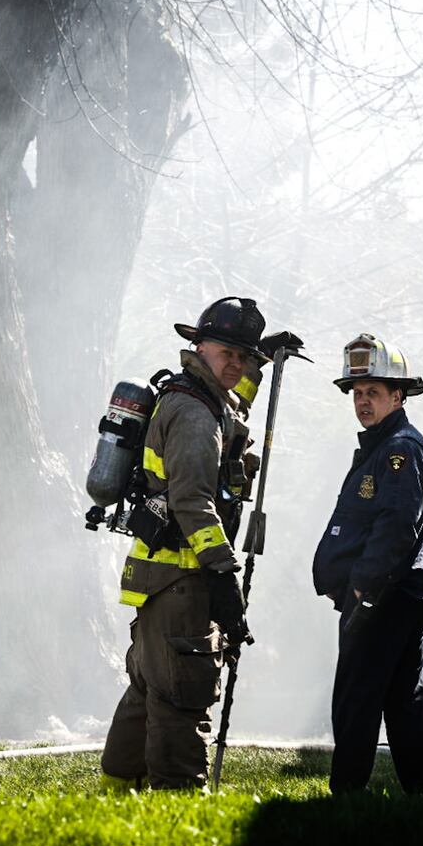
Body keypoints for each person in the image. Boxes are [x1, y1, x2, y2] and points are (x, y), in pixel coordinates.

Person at [100, 297, 260, 791]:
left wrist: (262, 366)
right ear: (200, 345)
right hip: (183, 578)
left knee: (149, 686)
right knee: (182, 693)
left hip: (157, 577)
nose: (236, 364)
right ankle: (179, 797)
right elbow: (192, 501)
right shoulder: (195, 414)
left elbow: (236, 404)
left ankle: (115, 791)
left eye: (244, 357)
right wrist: (222, 571)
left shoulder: (195, 395)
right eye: (227, 352)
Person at [312, 334, 423, 794]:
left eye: (373, 392)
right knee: (401, 696)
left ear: (398, 396)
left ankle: (347, 792)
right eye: (357, 393)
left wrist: (363, 586)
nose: (362, 402)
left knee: (357, 693)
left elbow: (396, 524)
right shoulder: (386, 446)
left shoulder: (398, 450)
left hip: (384, 593)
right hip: (400, 592)